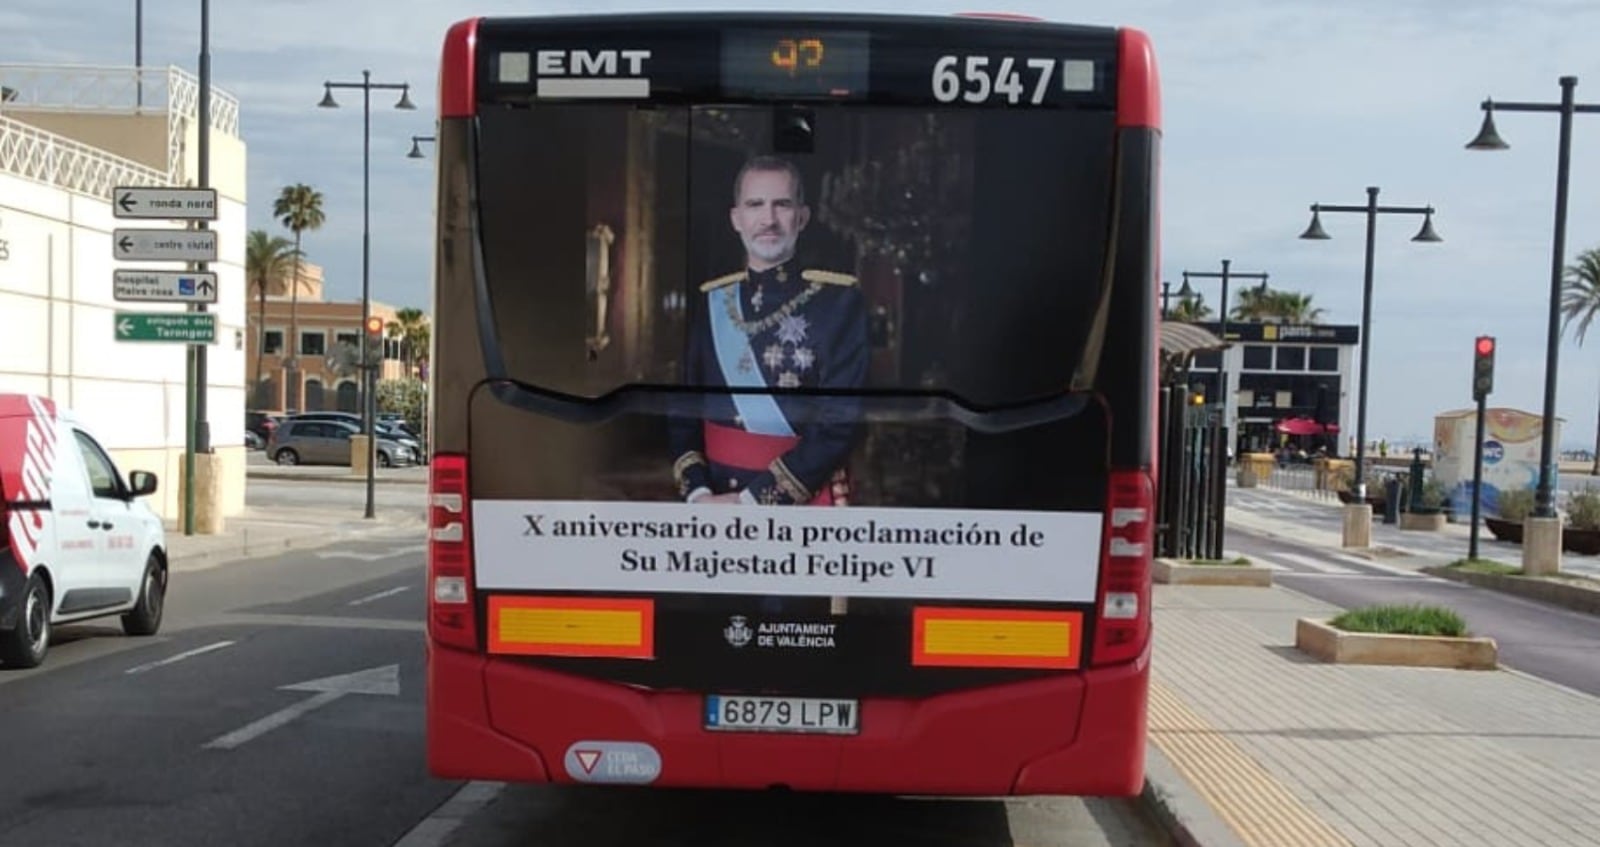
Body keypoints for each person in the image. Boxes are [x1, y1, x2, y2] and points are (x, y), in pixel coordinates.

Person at [668, 154, 868, 506]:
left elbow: (840, 424)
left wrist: (752, 501)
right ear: (737, 218)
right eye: (755, 205)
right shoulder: (712, 301)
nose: (769, 219)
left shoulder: (838, 304)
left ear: (802, 217)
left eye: (782, 205)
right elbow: (683, 410)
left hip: (803, 501)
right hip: (713, 503)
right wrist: (698, 494)